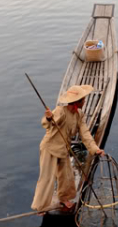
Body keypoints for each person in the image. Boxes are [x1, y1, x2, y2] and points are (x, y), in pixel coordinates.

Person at [31, 84, 105, 213]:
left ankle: (64, 198)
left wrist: (95, 149)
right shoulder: (60, 111)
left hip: (63, 148)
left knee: (66, 175)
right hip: (50, 148)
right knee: (47, 178)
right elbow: (48, 123)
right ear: (77, 102)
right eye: (83, 100)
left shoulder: (79, 114)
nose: (85, 101)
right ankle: (40, 207)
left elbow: (85, 134)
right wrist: (49, 117)